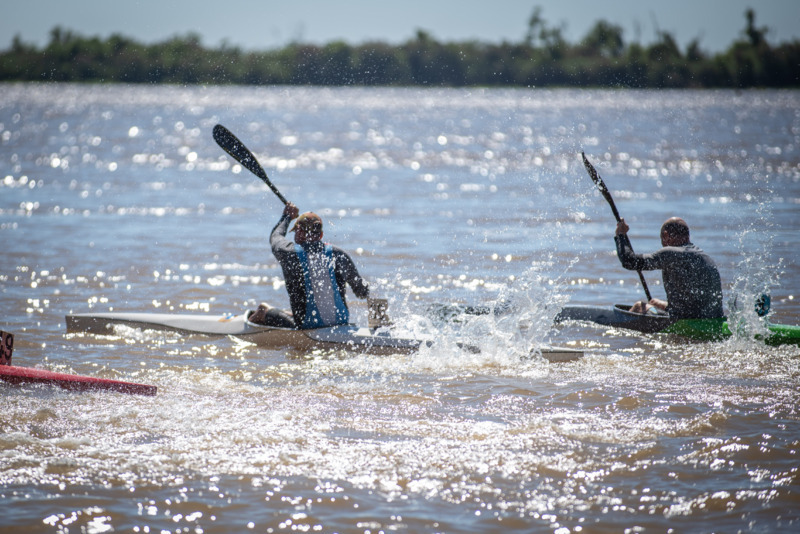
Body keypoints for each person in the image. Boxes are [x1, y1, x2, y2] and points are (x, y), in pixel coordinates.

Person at [249, 202, 370, 329]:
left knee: (262, 310)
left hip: (307, 326)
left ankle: (253, 324)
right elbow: (362, 292)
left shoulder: (289, 253)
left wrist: (287, 216)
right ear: (321, 235)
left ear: (298, 232)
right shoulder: (339, 254)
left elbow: (275, 236)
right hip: (341, 324)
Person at [615, 217, 723, 319]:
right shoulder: (705, 257)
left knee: (639, 306)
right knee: (657, 305)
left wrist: (620, 235)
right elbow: (696, 303)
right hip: (713, 320)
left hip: (687, 322)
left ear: (666, 235)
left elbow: (629, 261)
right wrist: (664, 305)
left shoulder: (670, 253)